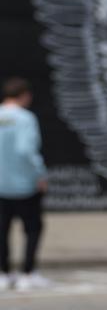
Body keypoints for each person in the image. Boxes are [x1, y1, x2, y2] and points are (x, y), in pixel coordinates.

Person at [0, 77, 50, 291]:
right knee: (32, 230)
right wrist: (40, 174)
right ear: (24, 95)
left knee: (2, 230)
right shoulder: (25, 118)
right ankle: (27, 273)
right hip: (24, 186)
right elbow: (26, 150)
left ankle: (3, 273)